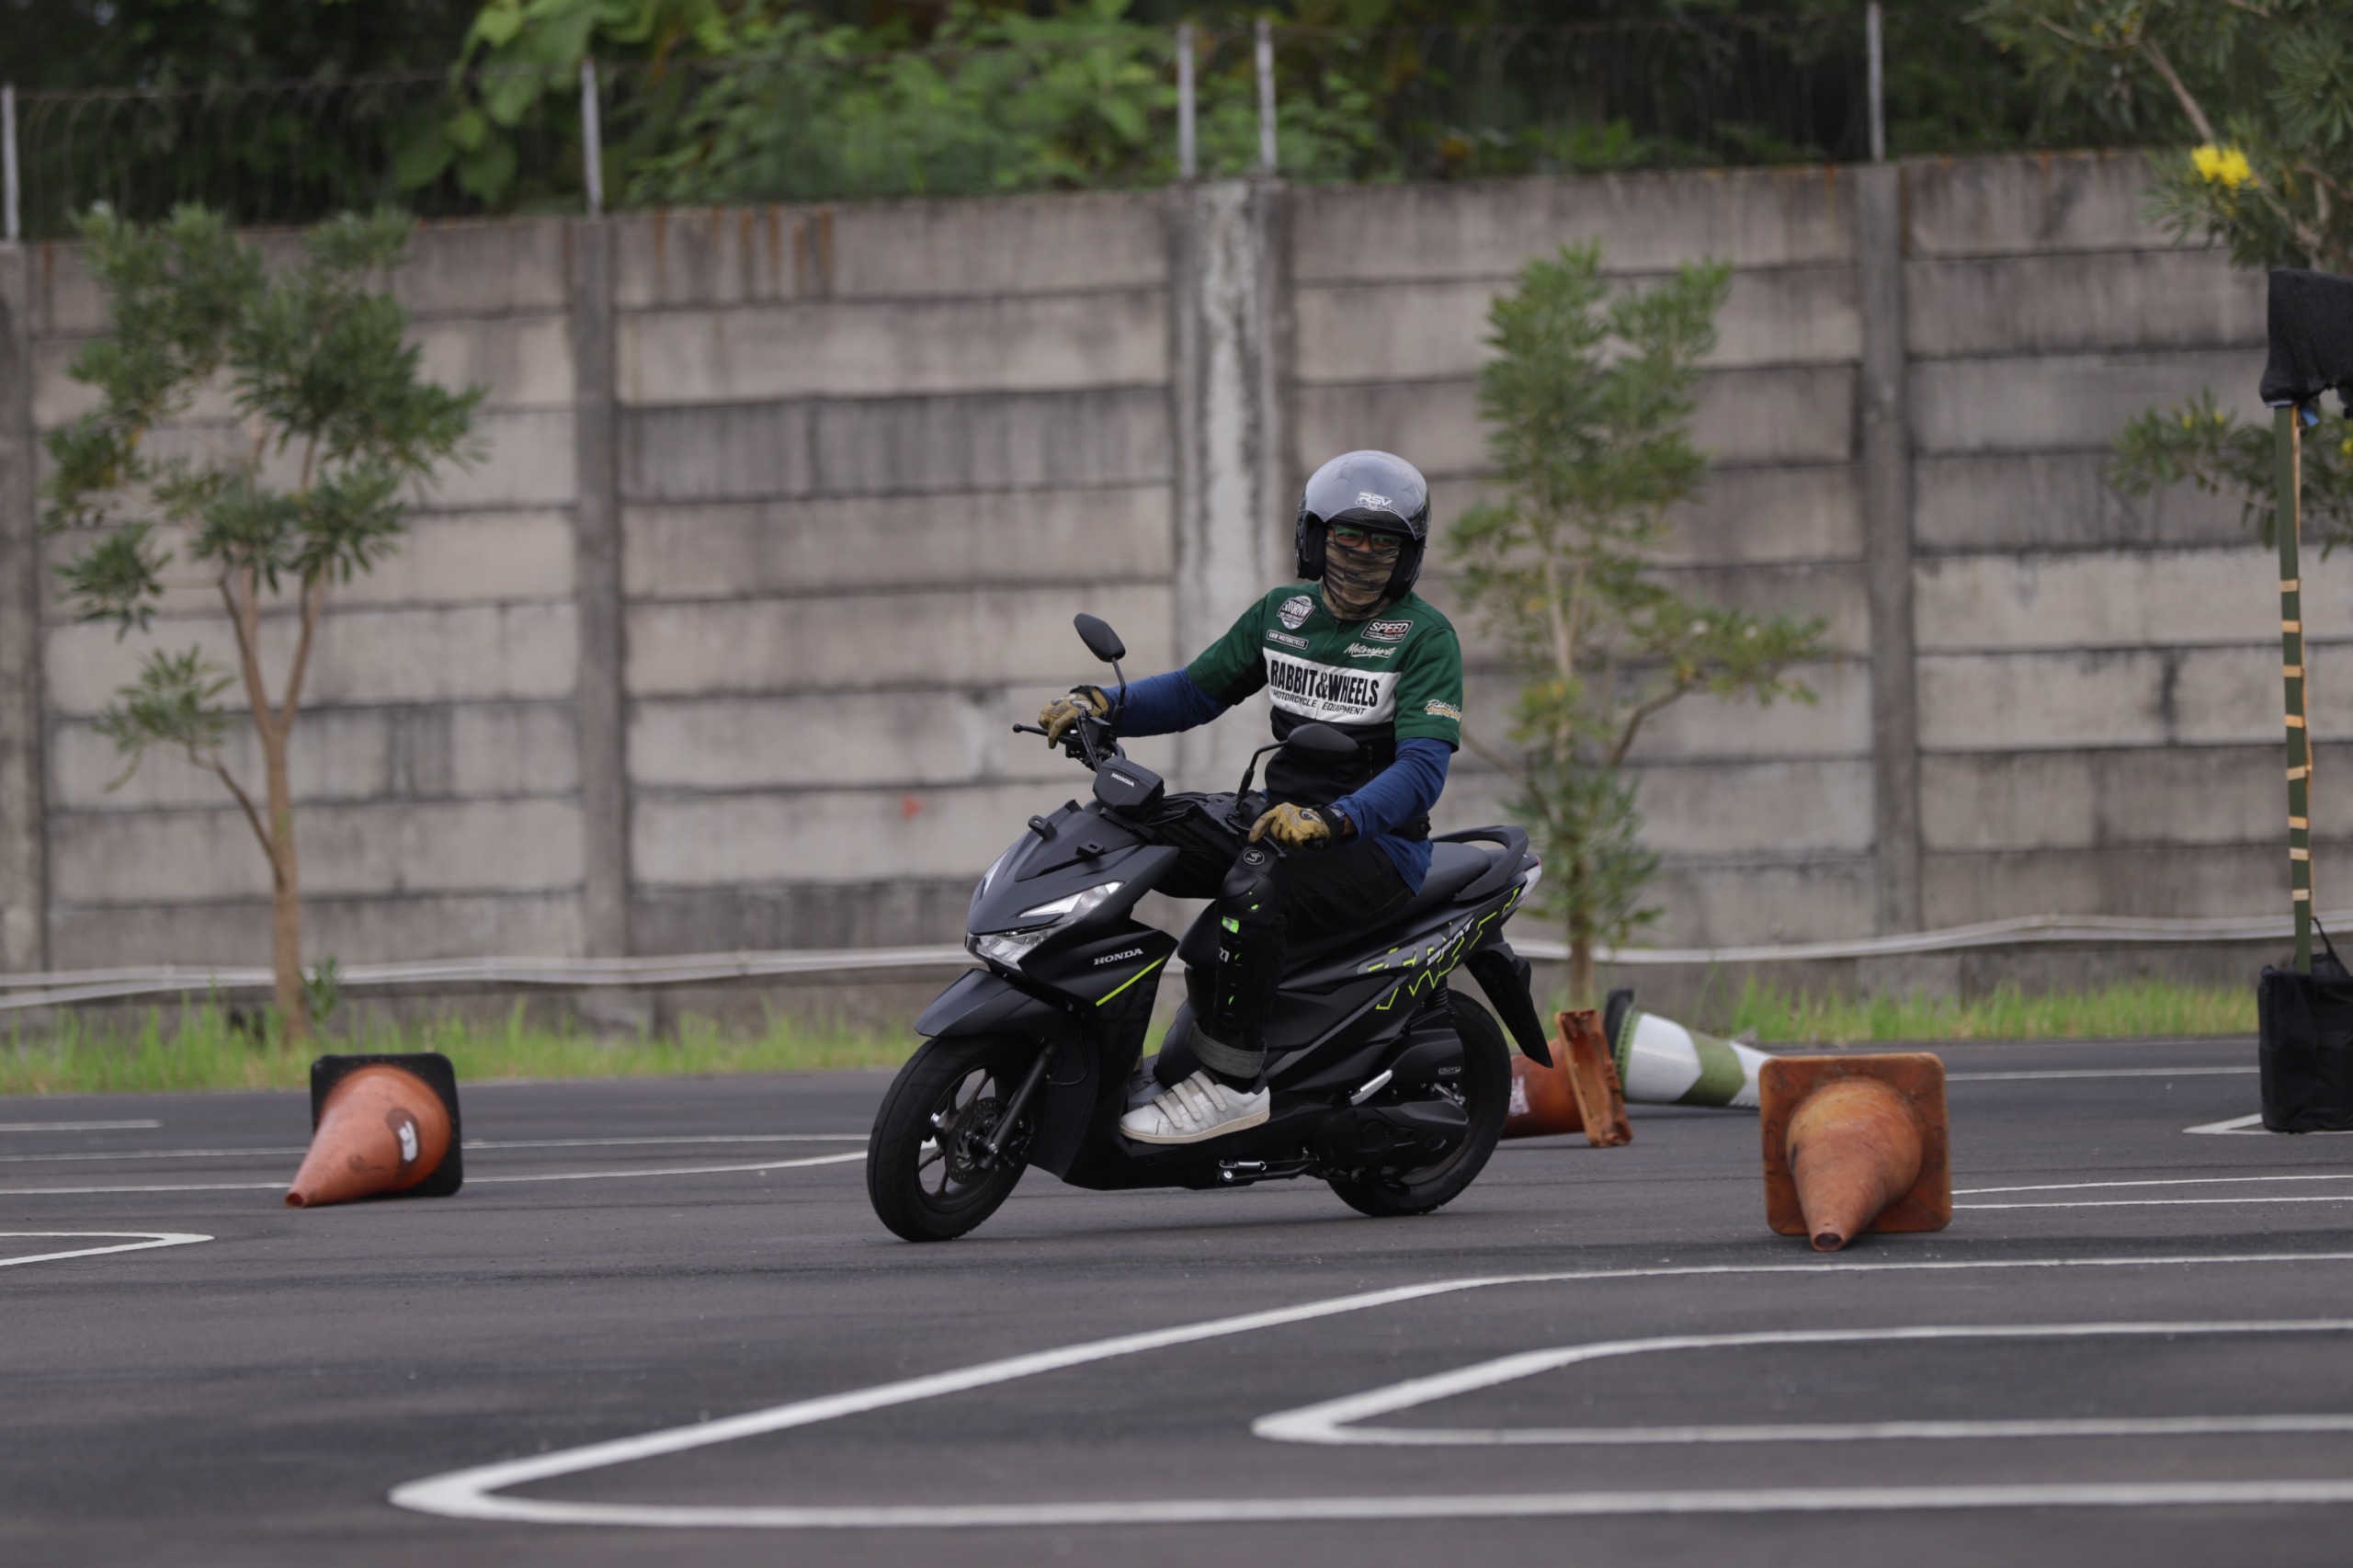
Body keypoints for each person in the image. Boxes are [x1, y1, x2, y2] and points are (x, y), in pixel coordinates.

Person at [1035, 450, 1466, 1146]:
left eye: (1382, 544)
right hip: (1275, 819)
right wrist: (1101, 704)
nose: (1360, 556)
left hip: (1374, 847)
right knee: (1126, 830)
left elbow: (1422, 768)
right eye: (1346, 537)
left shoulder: (1423, 638)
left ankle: (1234, 1083)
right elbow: (1193, 691)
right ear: (1313, 538)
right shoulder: (1283, 612)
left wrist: (1335, 818)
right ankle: (1065, 1024)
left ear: (1408, 555)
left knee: (1255, 886)